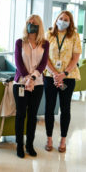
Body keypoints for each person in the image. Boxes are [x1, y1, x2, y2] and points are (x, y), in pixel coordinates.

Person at [44, 10, 82, 153]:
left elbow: (75, 57)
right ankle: (49, 138)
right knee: (49, 107)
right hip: (50, 76)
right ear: (56, 19)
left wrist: (64, 74)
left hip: (68, 77)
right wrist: (55, 73)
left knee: (65, 108)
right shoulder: (49, 35)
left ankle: (63, 140)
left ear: (70, 22)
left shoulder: (74, 36)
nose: (63, 21)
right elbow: (45, 57)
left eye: (66, 19)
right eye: (61, 18)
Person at [13, 15, 49, 158]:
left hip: (38, 84)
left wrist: (33, 78)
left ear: (39, 26)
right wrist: (27, 78)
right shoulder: (20, 42)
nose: (31, 25)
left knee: (33, 115)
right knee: (20, 115)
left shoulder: (45, 43)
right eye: (29, 22)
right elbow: (18, 62)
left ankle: (29, 145)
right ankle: (19, 146)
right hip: (21, 83)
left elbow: (43, 63)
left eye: (34, 23)